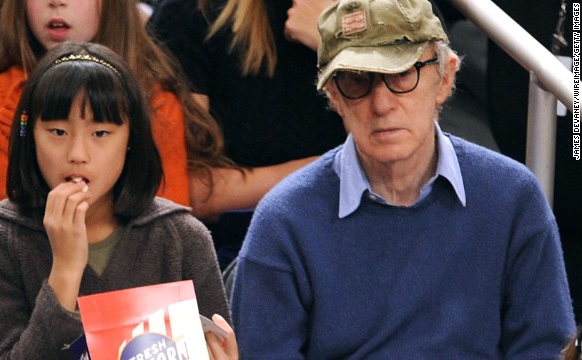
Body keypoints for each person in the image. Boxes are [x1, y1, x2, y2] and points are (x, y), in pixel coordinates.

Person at [230, 0, 575, 357]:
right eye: (356, 80)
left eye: (402, 74)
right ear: (334, 96)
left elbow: (544, 347)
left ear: (445, 78)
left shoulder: (512, 198)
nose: (381, 104)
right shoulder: (284, 220)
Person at [0, 41, 238, 360]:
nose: (77, 154)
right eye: (57, 132)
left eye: (100, 133)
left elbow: (216, 346)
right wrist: (64, 269)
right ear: (29, 135)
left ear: (131, 139)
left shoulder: (182, 236)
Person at [0, 0, 307, 224]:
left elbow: (168, 226)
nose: (57, 2)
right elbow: (2, 245)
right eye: (57, 131)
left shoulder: (156, 101)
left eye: (101, 132)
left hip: (142, 298)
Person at [149, 0, 347, 267]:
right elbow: (184, 189)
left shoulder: (396, 9)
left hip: (361, 235)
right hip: (236, 250)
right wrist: (334, 168)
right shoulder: (195, 11)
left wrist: (336, 45)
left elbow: (401, 157)